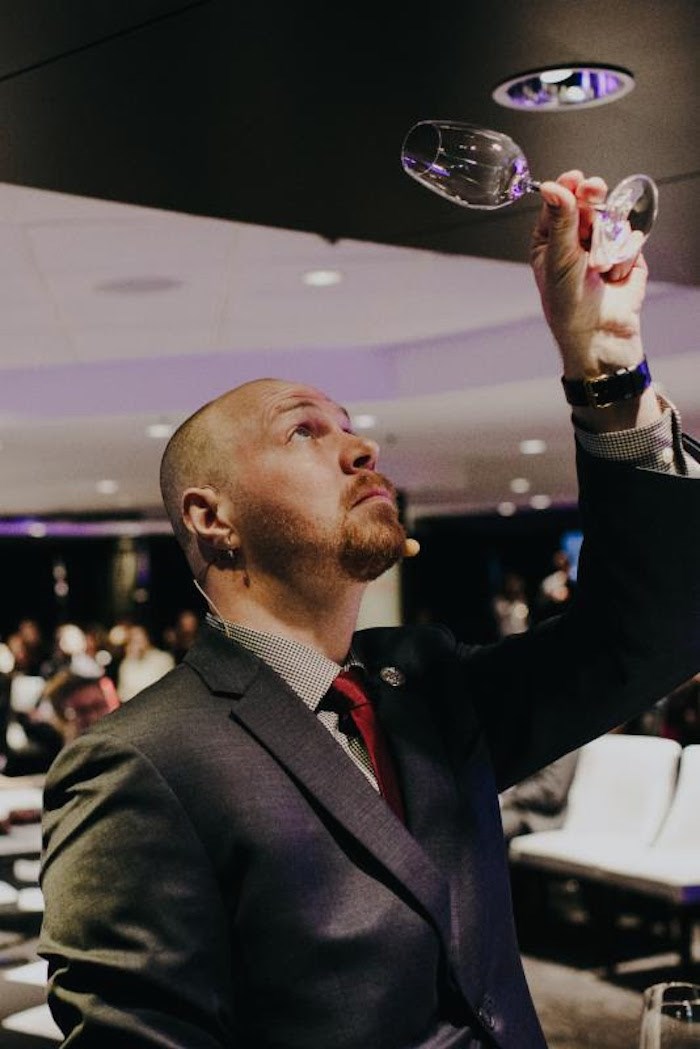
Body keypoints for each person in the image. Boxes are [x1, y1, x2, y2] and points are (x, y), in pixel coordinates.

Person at [39, 171, 700, 1049]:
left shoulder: (429, 686)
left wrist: (605, 364)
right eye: (304, 429)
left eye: (350, 422)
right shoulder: (138, 763)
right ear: (212, 517)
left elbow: (649, 634)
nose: (361, 444)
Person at [499, 750, 580, 843]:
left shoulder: (565, 741)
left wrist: (506, 797)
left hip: (537, 816)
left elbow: (551, 792)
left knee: (486, 826)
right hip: (511, 807)